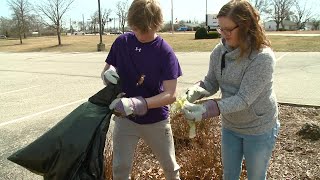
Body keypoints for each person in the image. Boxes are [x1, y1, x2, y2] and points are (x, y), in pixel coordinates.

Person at [182, 0, 280, 179]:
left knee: (256, 176)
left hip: (258, 127)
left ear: (246, 26)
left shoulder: (262, 58)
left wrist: (207, 109)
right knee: (229, 175)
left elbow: (244, 99)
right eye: (220, 28)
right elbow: (211, 81)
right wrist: (197, 90)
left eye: (228, 29)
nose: (224, 34)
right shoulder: (219, 52)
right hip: (230, 126)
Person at [101, 0, 181, 179]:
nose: (141, 35)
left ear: (156, 24)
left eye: (146, 30)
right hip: (125, 119)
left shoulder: (165, 52)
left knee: (170, 167)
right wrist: (108, 74)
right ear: (131, 24)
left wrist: (137, 103)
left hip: (156, 121)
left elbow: (171, 94)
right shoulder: (122, 42)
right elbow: (107, 69)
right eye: (136, 29)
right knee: (120, 169)